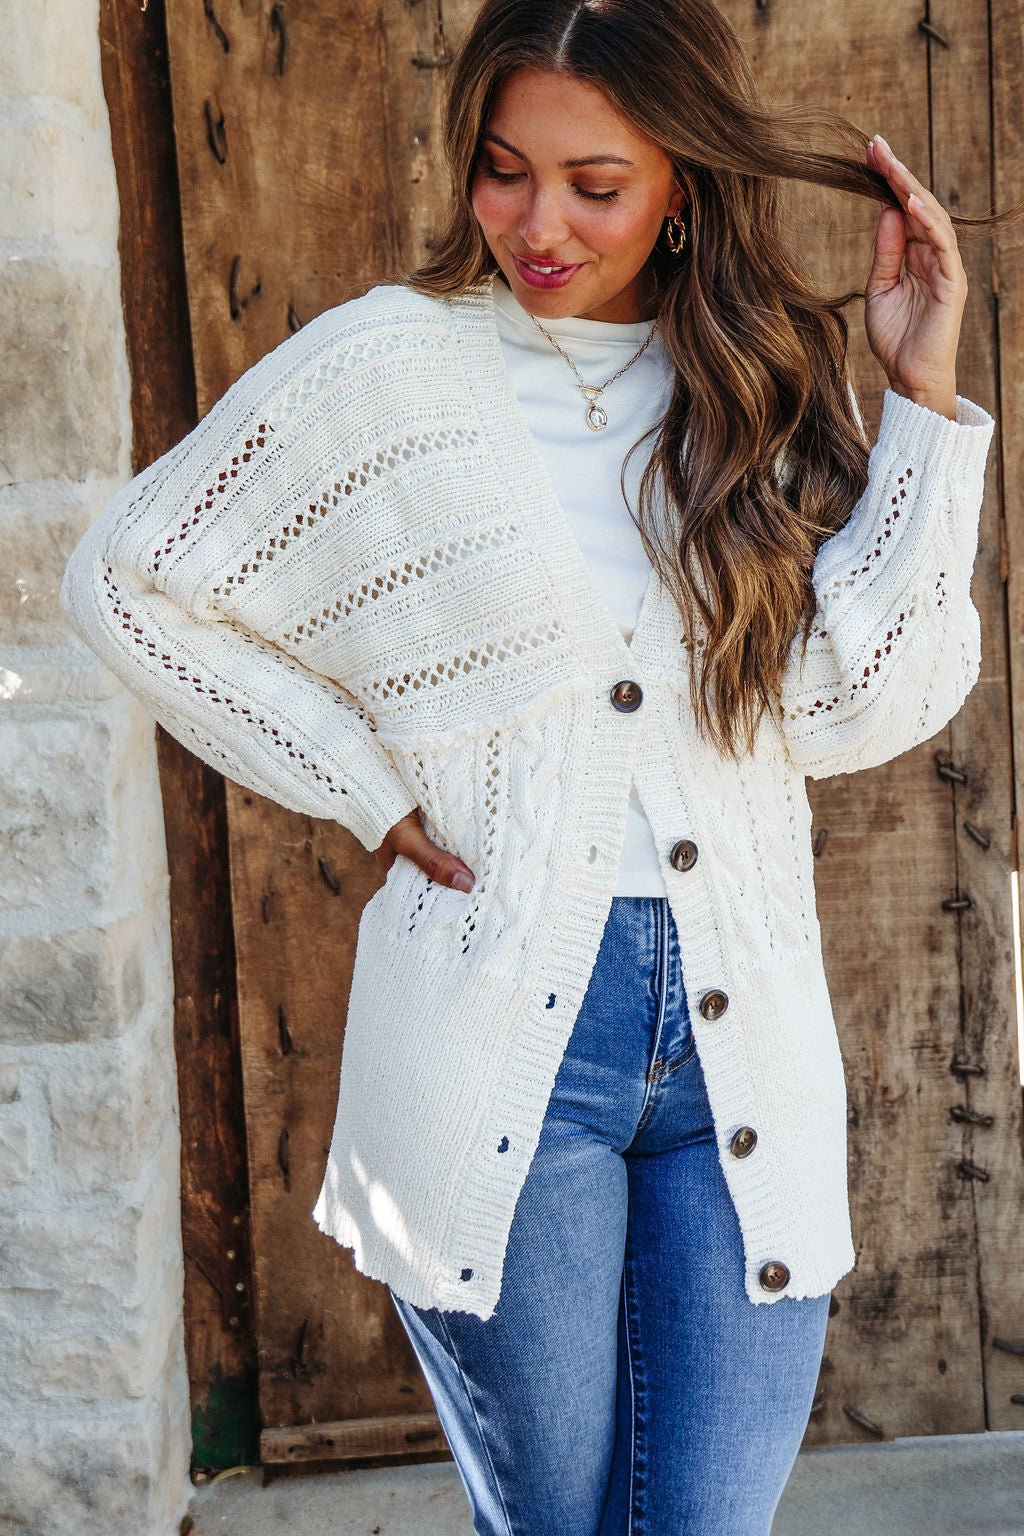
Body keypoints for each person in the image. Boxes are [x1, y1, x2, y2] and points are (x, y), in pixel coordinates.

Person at [59, 0, 1014, 1531]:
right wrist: (364, 784)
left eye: (596, 182)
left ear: (684, 184)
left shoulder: (755, 389)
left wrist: (918, 402)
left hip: (736, 1038)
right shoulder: (392, 368)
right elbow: (124, 580)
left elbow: (867, 707)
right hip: (509, 1036)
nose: (538, 222)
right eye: (506, 171)